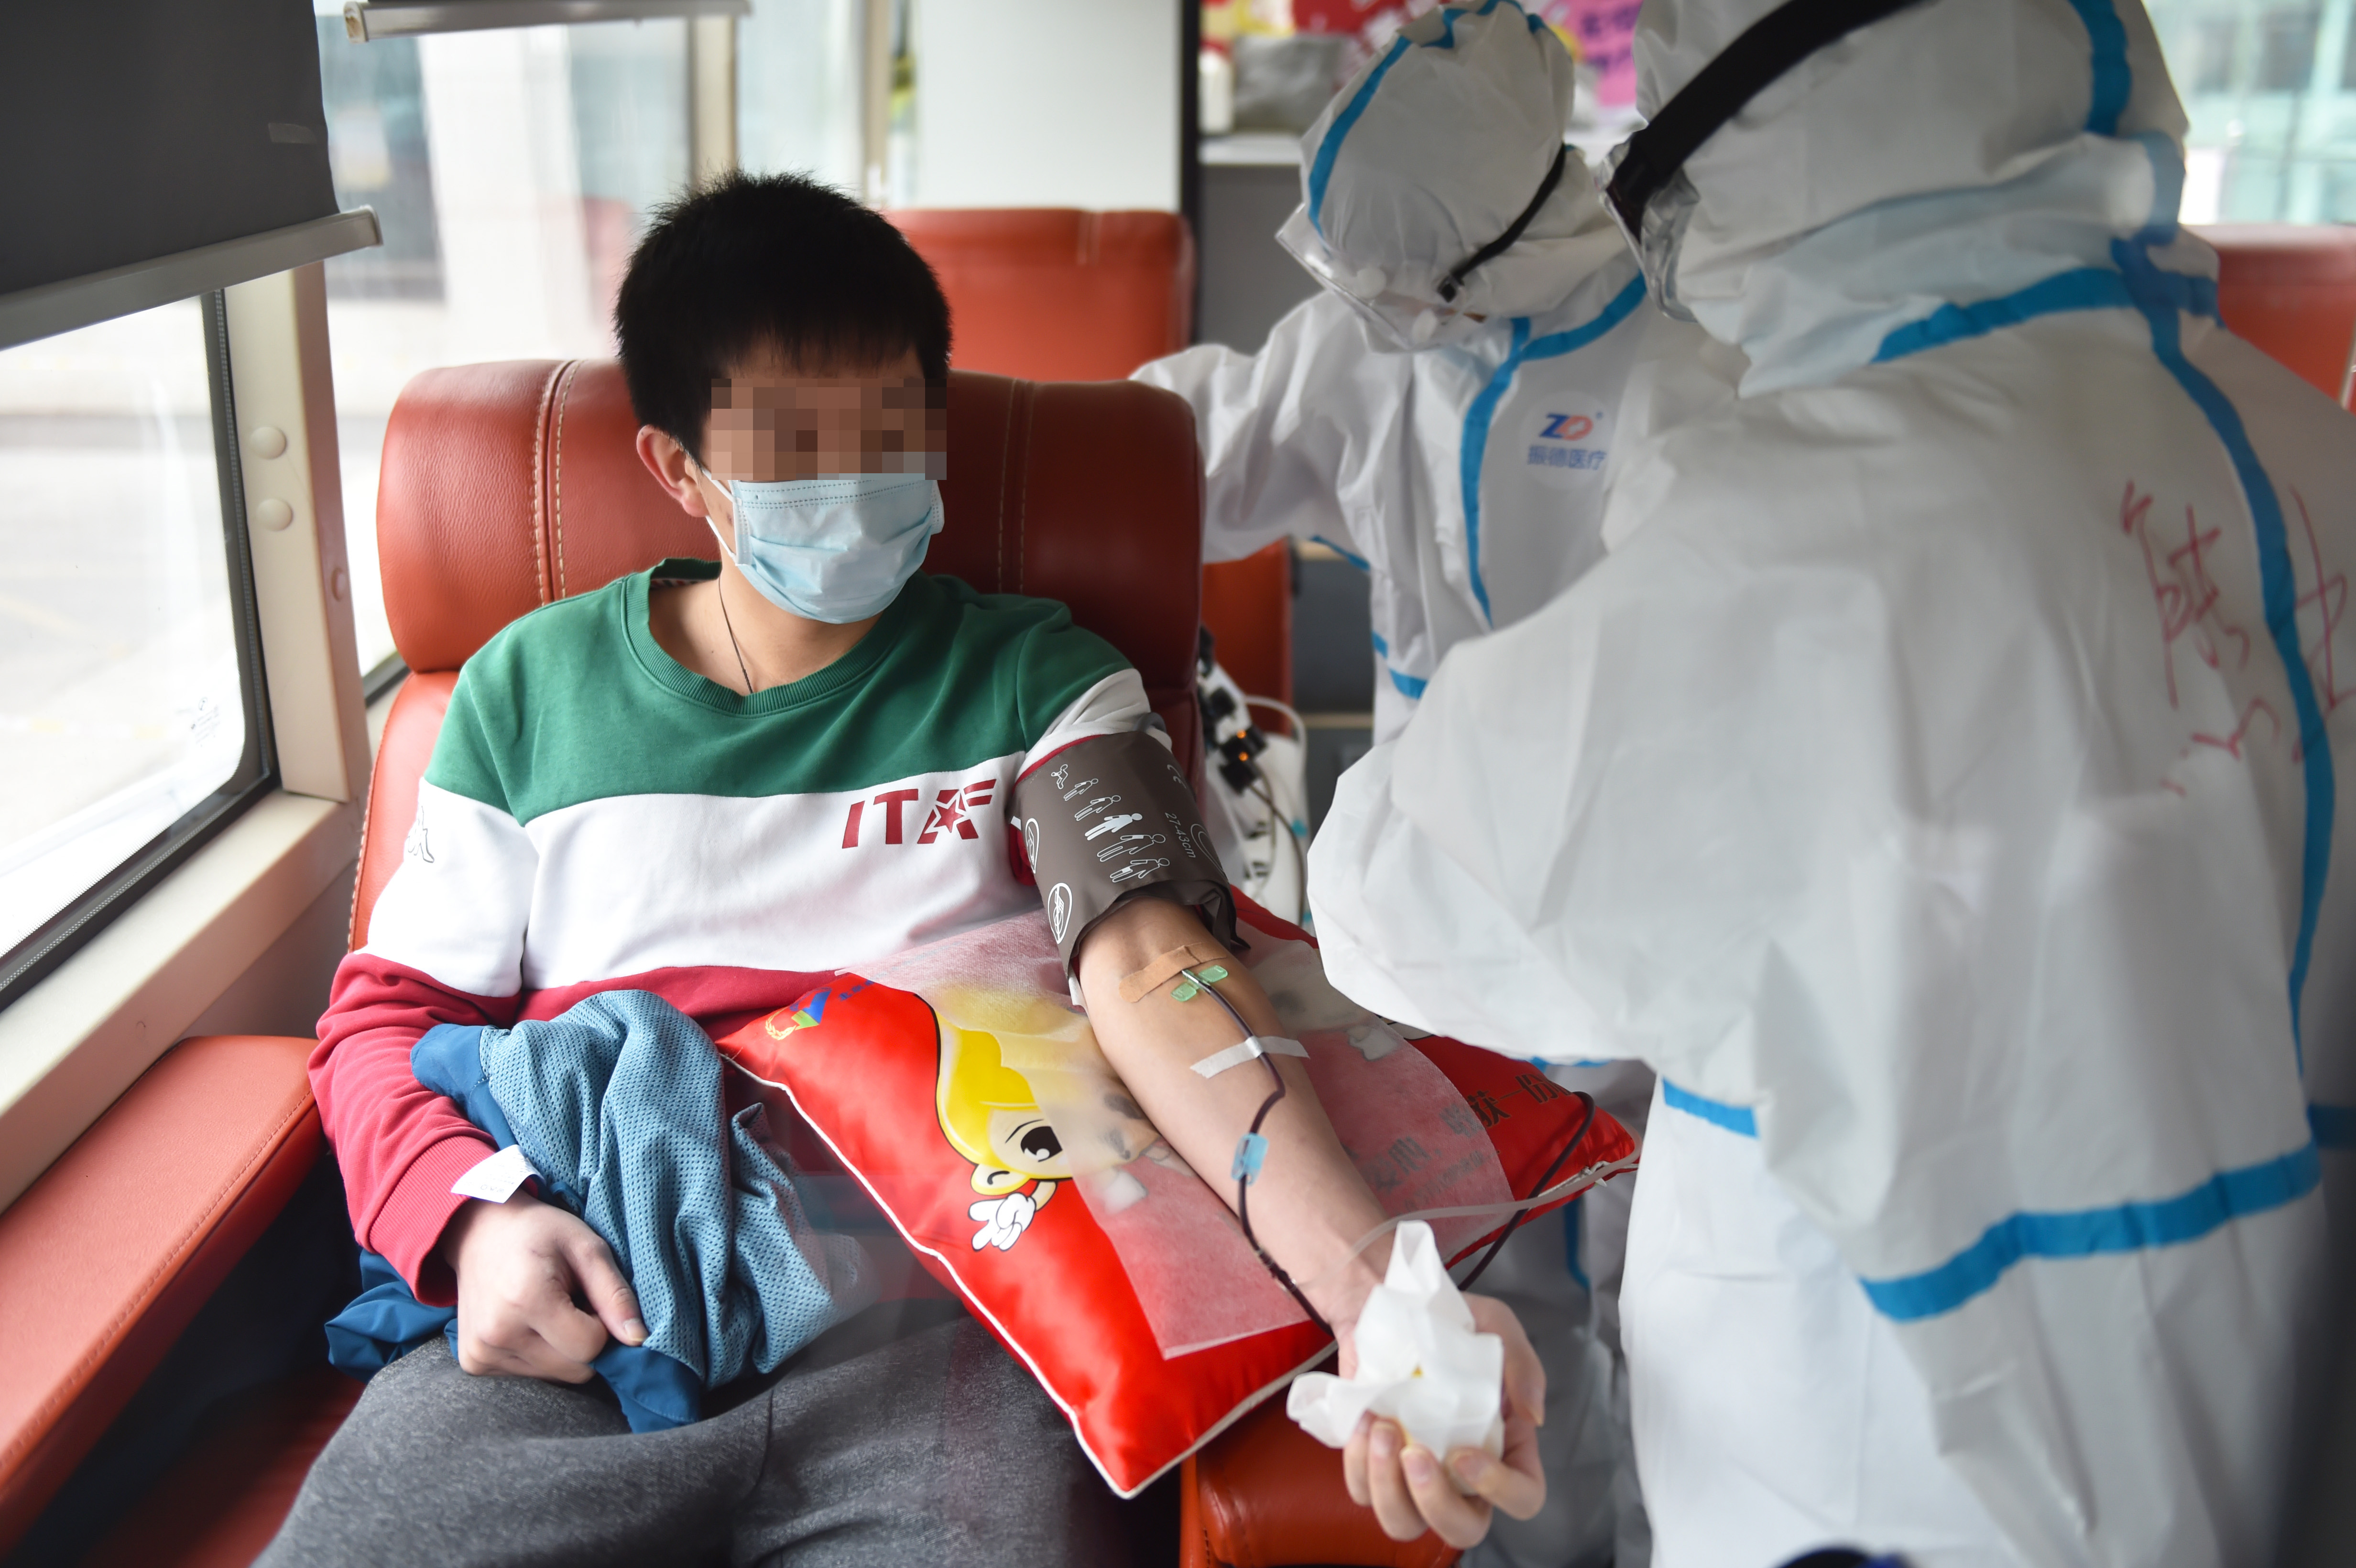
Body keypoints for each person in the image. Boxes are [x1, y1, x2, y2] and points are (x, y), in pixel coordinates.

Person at [269, 172, 1548, 1565]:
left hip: (942, 1330)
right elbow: (385, 1024)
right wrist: (475, 1226)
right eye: (794, 444)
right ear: (680, 470)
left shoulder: (1042, 681)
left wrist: (1377, 1297)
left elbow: (1156, 966)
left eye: (889, 430)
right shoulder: (527, 695)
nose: (853, 478)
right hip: (583, 1298)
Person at [1309, 0, 2356, 1564]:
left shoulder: (1800, 539)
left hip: (1904, 1480)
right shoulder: (2312, 455)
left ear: (1754, 146)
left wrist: (1670, 511)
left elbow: (1402, 897)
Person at [1136, 5, 1711, 1559]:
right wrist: (1003, 460)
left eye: (1395, 283)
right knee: (1480, 1268)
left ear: (1505, 236)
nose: (1366, 309)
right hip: (1418, 915)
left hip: (1630, 912)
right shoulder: (1377, 342)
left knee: (1654, 1290)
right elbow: (1192, 450)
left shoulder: (1685, 363)